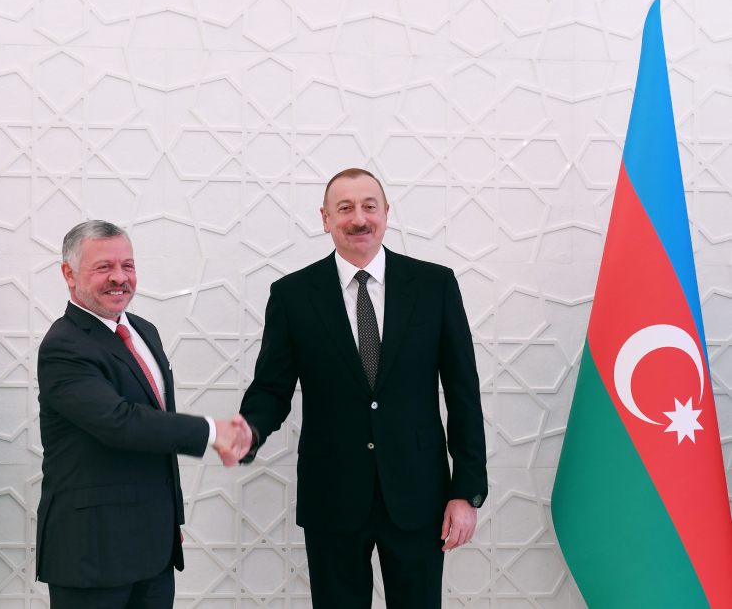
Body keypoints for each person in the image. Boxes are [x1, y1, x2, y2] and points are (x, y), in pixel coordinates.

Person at [226, 169, 488, 608]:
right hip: (332, 494)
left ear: (386, 213)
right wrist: (248, 431)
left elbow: (464, 394)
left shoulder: (435, 285)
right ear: (325, 218)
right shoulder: (292, 295)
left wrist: (466, 491)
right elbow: (271, 388)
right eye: (345, 208)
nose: (359, 219)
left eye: (369, 206)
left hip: (419, 493)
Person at [35, 220, 252, 609]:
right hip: (92, 551)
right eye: (104, 267)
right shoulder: (64, 346)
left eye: (128, 265)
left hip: (153, 548)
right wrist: (211, 431)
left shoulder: (144, 331)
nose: (119, 278)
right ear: (69, 274)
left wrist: (170, 518)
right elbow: (120, 422)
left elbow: (156, 428)